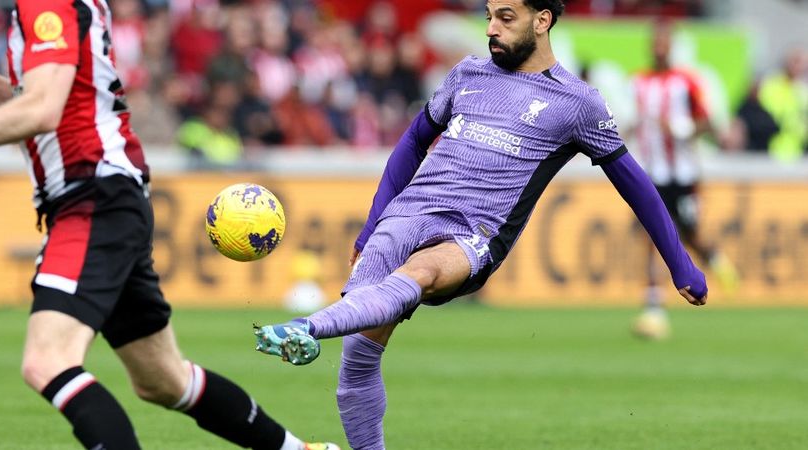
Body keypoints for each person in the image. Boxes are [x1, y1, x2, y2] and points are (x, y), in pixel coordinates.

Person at [253, 1, 707, 448]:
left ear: (542, 20)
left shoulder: (578, 102)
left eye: (505, 18)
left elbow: (636, 186)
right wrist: (374, 224)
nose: (491, 28)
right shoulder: (467, 73)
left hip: (472, 235)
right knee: (358, 355)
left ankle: (307, 327)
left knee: (422, 273)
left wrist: (678, 262)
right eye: (489, 16)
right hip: (407, 213)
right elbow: (412, 142)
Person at [0, 2, 338, 450]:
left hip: (92, 195)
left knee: (47, 361)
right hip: (110, 194)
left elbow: (43, 112)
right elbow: (70, 108)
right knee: (164, 380)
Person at [630, 20, 737, 339]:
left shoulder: (685, 84)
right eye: (655, 43)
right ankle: (653, 307)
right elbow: (633, 123)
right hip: (652, 173)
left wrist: (679, 129)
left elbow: (708, 124)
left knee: (688, 234)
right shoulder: (638, 82)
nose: (659, 48)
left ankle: (717, 261)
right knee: (654, 235)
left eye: (664, 43)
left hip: (684, 173)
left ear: (671, 48)